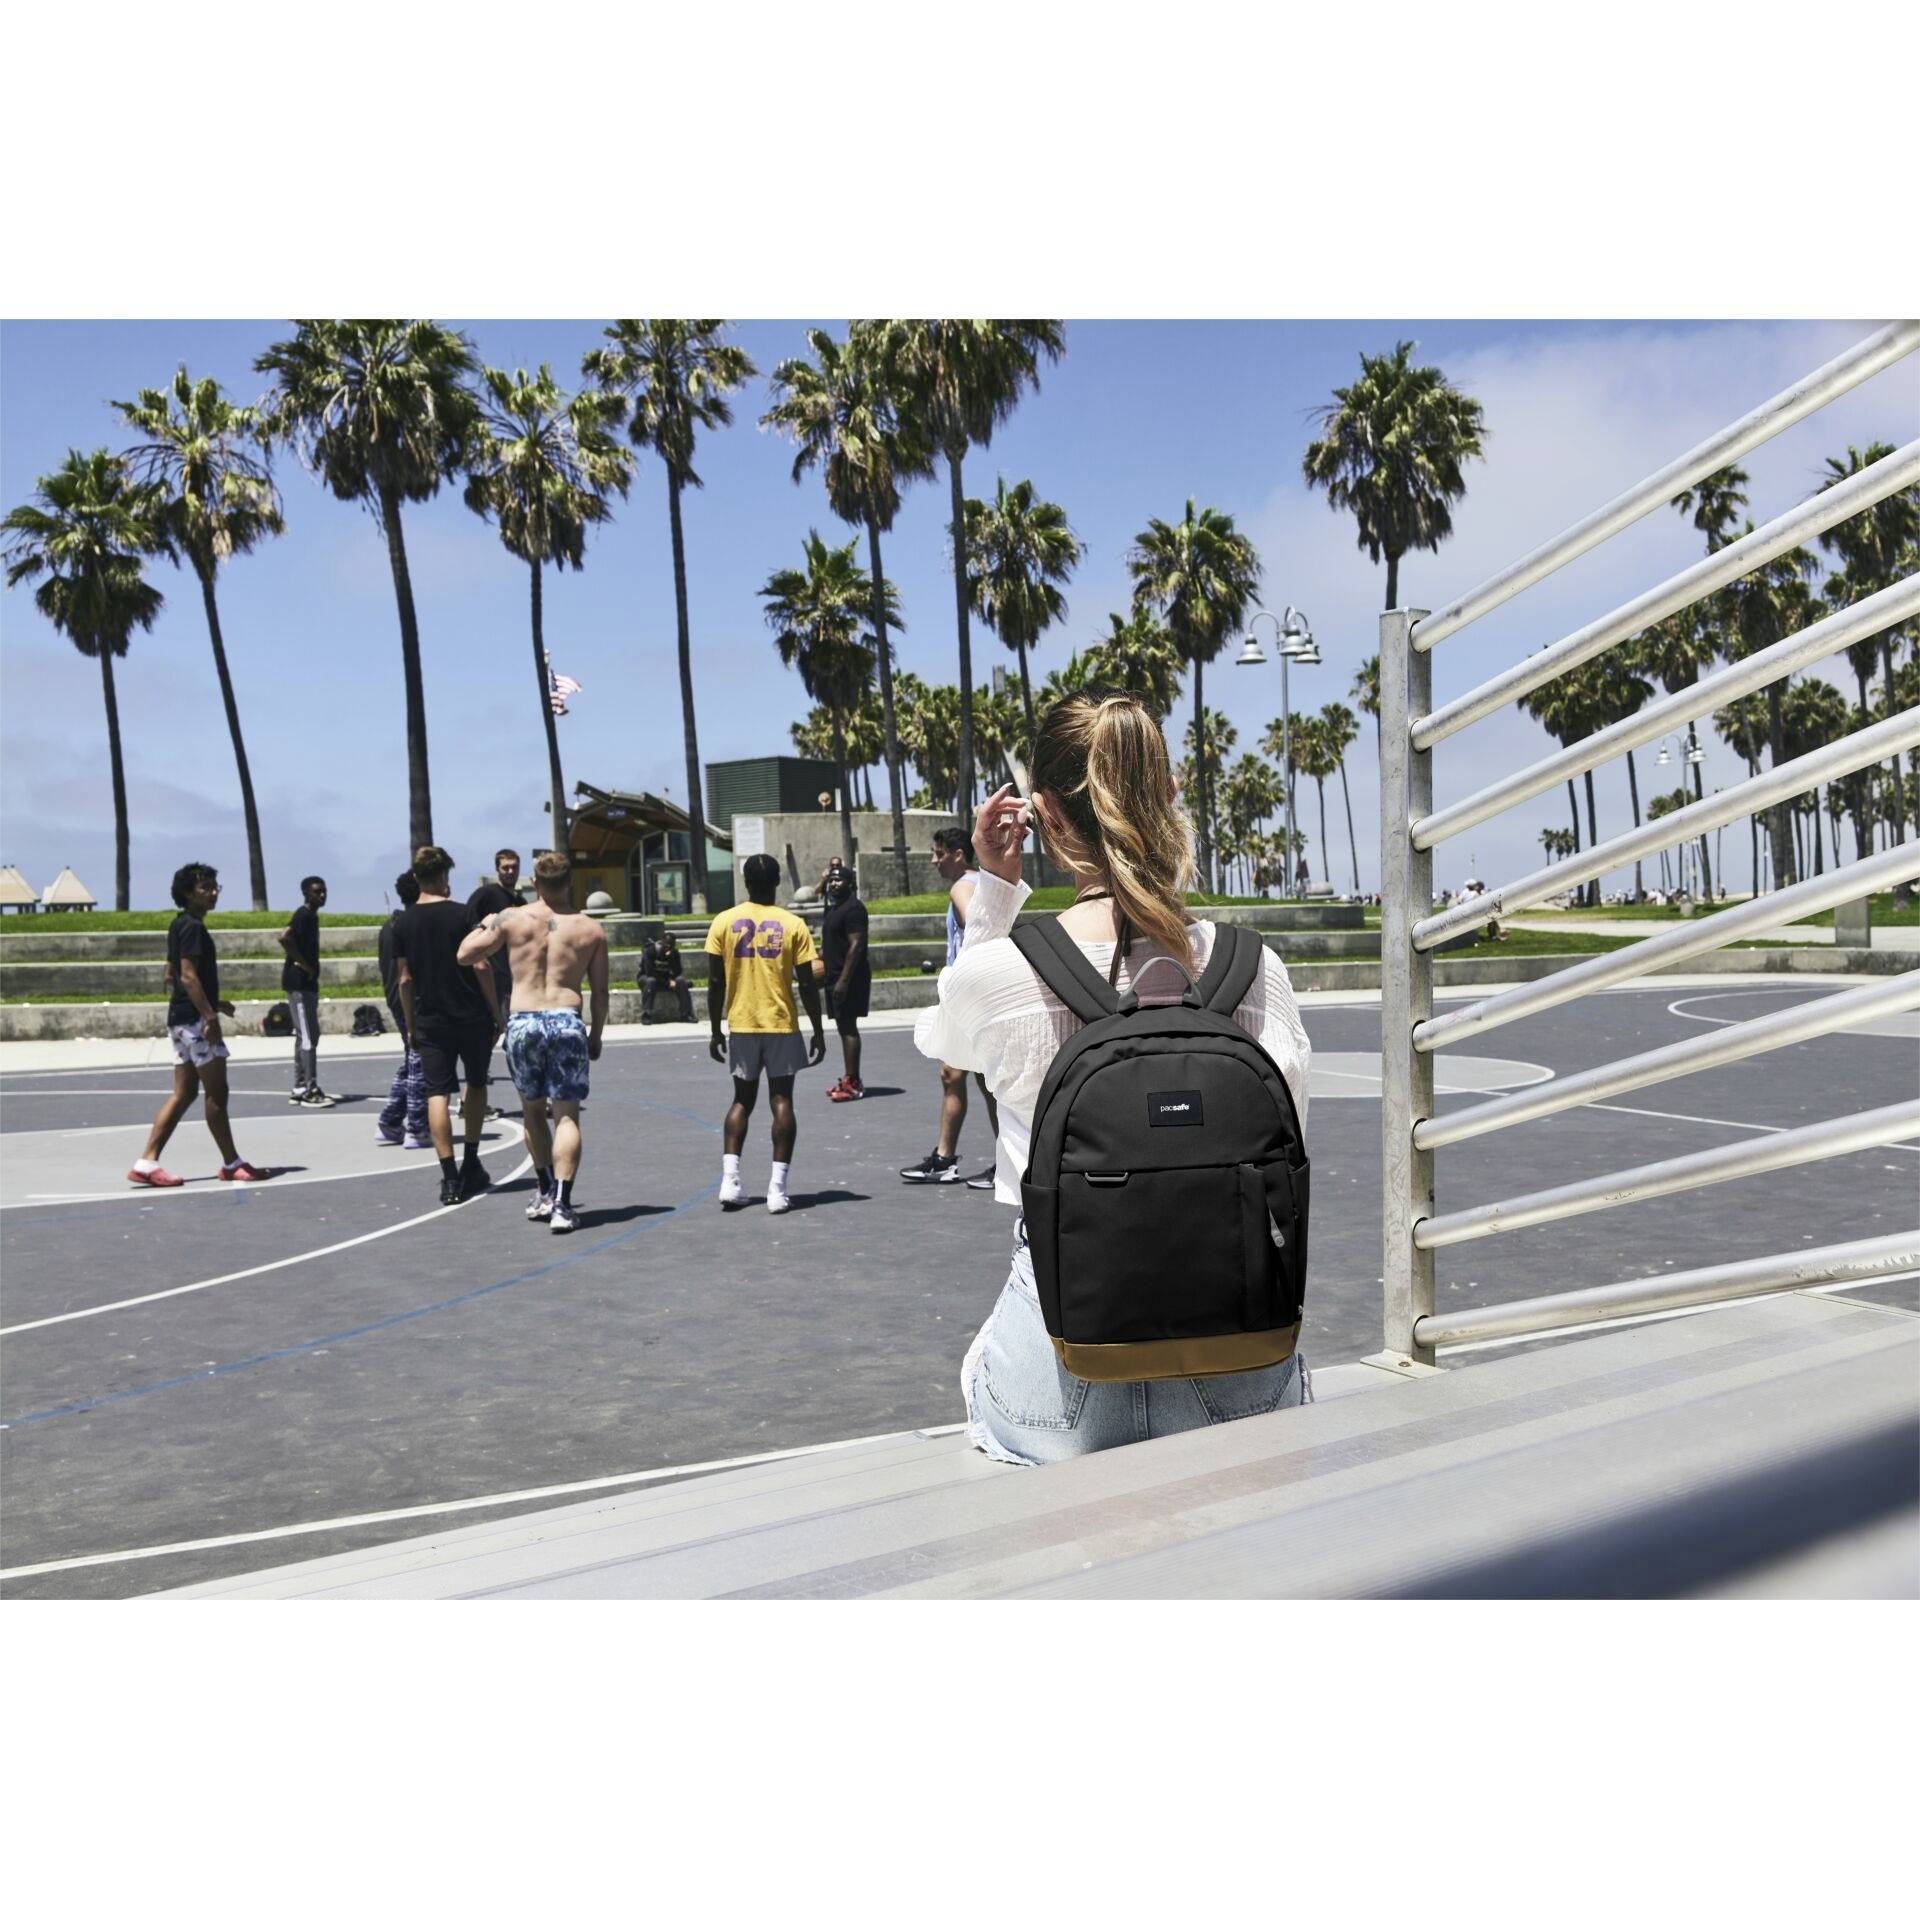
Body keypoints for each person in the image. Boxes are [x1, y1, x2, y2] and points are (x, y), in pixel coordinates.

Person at [914, 692, 1314, 1467]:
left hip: (1061, 1378)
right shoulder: (1253, 967)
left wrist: (994, 892)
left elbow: (950, 1043)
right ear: (1168, 797)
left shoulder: (998, 973)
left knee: (982, 1367)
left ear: (1044, 816)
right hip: (1240, 1356)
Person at [458, 851, 608, 1234]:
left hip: (524, 1021)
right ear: (570, 882)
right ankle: (562, 1204)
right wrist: (596, 1035)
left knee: (532, 1111)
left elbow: (464, 954)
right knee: (567, 1116)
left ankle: (545, 1190)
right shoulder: (590, 929)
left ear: (535, 883)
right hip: (566, 1019)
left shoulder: (511, 918)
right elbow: (600, 993)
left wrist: (487, 923)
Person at [128, 862, 272, 1187]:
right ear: (187, 893)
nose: (213, 892)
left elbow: (171, 974)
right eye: (205, 888)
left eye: (215, 887)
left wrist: (213, 1002)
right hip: (194, 1022)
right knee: (217, 1092)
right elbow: (188, 976)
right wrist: (209, 1016)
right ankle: (232, 1163)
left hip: (179, 1018)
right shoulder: (193, 927)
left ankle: (146, 1162)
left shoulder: (178, 924)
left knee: (184, 1093)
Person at [705, 851, 825, 1215]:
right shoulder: (793, 924)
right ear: (777, 882)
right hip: (780, 1022)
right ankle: (777, 1190)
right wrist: (818, 1029)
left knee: (741, 1100)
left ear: (745, 882)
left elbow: (715, 982)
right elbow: (807, 984)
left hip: (742, 1022)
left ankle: (730, 1182)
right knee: (782, 1101)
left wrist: (715, 1029)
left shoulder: (723, 922)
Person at [395, 845, 504, 1207]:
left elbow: (405, 980)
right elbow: (481, 965)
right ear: (444, 875)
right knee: (475, 1084)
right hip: (470, 1014)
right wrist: (496, 1012)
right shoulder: (463, 914)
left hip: (430, 1018)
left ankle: (449, 1176)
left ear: (416, 877)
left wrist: (410, 1024)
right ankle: (472, 1160)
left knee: (437, 1093)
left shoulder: (403, 922)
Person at [901, 827, 997, 1188]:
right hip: (975, 995)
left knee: (980, 1079)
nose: (933, 860)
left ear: (958, 855)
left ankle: (1003, 1161)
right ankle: (946, 1158)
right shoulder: (983, 882)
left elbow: (977, 926)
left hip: (967, 997)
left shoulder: (962, 886)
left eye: (938, 853)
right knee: (958, 1075)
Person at [374, 870, 431, 1148]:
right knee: (421, 1062)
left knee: (412, 1059)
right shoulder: (411, 926)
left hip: (397, 998)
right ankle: (417, 1127)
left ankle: (391, 1120)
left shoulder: (390, 925)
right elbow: (407, 976)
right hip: (413, 1001)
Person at [278, 873, 334, 1106]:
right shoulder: (302, 915)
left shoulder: (311, 917)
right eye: (317, 891)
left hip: (308, 985)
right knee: (308, 1036)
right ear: (306, 893)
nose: (322, 895)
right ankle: (310, 1089)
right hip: (299, 984)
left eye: (324, 891)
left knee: (307, 1035)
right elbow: (284, 937)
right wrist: (303, 963)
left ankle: (300, 1085)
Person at [820, 861, 870, 1101]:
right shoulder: (834, 909)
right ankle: (850, 1078)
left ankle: (853, 1082)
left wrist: (843, 980)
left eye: (838, 880)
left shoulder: (854, 909)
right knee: (843, 1027)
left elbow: (856, 944)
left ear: (850, 884)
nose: (833, 884)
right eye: (831, 880)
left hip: (848, 977)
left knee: (848, 1027)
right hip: (834, 975)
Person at [639, 927, 695, 1024]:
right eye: (667, 945)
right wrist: (668, 982)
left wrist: (671, 958)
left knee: (681, 981)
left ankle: (686, 1014)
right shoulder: (651, 951)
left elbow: (678, 972)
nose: (668, 947)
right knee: (651, 981)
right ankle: (647, 1014)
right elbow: (649, 973)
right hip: (647, 979)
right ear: (662, 942)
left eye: (671, 945)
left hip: (665, 980)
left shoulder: (675, 953)